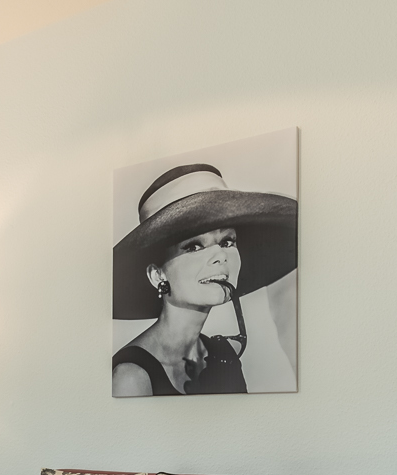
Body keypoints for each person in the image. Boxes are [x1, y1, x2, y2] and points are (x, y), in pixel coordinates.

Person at [110, 162, 297, 396]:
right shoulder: (131, 378)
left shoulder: (223, 356)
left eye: (227, 242)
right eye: (194, 246)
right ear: (157, 275)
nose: (221, 256)